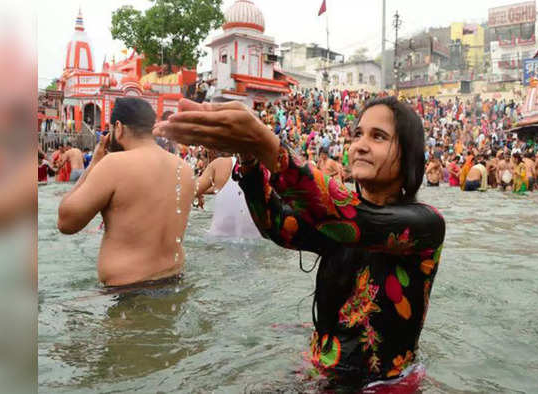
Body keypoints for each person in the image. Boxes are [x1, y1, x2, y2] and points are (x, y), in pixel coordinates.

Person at [156, 97, 445, 389]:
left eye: (378, 136)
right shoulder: (335, 222)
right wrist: (248, 158)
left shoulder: (426, 225)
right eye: (358, 134)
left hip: (386, 385)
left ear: (408, 155)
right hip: (321, 372)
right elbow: (276, 225)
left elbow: (354, 220)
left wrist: (263, 141)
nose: (360, 144)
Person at [57, 97, 195, 287]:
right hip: (175, 283)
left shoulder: (114, 164)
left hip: (127, 294)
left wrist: (94, 164)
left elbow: (66, 222)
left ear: (119, 127)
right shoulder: (184, 168)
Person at [194, 154, 261, 239]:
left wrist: (200, 192)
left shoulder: (220, 164)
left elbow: (188, 190)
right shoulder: (269, 166)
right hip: (258, 242)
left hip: (218, 243)